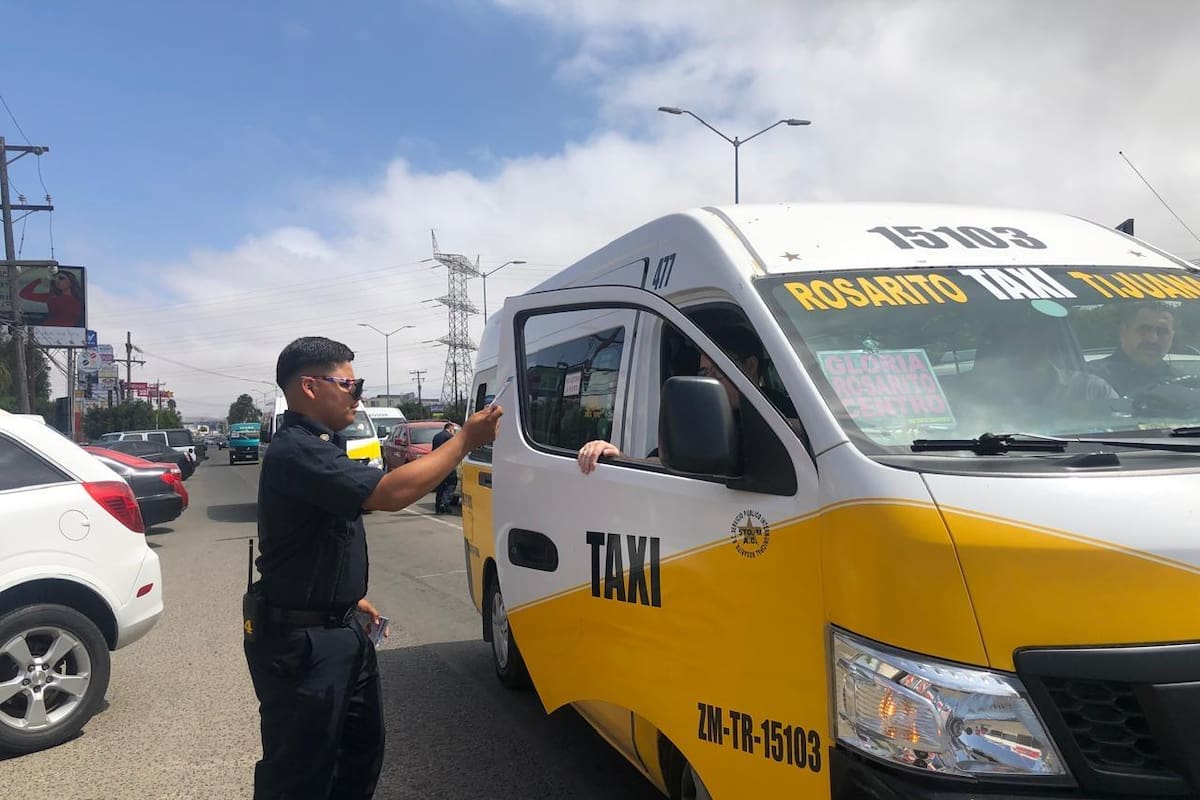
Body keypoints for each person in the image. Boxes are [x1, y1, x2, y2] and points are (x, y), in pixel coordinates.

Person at [244, 336, 501, 800]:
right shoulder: (297, 450)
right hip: (303, 645)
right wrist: (464, 439)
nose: (357, 393)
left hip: (337, 628)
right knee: (301, 773)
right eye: (349, 383)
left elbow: (320, 535)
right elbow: (390, 494)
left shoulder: (323, 446)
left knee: (357, 757)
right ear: (308, 387)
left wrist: (345, 595)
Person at [578, 326, 783, 474]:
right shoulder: (702, 414)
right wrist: (620, 458)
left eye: (718, 370)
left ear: (750, 365)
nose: (709, 381)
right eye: (704, 372)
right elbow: (668, 461)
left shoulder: (783, 409)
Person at [1089, 302, 1176, 396]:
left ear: (1172, 336)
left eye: (1162, 331)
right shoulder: (1090, 379)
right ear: (1123, 332)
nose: (1152, 338)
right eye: (1144, 329)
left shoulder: (1181, 381)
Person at [18, 270, 84, 327]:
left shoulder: (79, 299)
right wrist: (38, 281)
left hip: (71, 333)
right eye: (55, 279)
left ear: (71, 281)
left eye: (61, 278)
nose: (57, 281)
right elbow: (24, 294)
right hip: (49, 331)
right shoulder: (52, 297)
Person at [430, 421, 457, 513]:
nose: (453, 432)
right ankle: (444, 504)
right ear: (450, 429)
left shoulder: (436, 437)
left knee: (440, 485)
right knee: (451, 483)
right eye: (453, 430)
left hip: (437, 464)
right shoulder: (450, 437)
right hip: (448, 464)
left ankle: (438, 506)